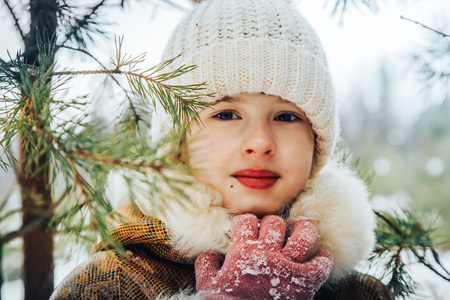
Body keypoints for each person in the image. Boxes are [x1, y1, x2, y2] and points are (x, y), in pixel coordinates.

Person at [51, 0, 392, 299]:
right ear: (178, 143)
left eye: (286, 116)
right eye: (226, 114)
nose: (259, 143)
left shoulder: (361, 293)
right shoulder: (106, 286)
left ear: (317, 144)